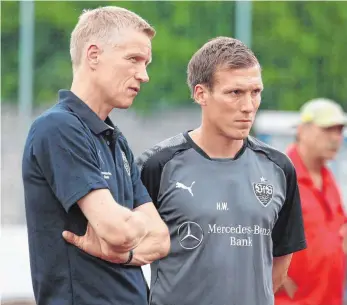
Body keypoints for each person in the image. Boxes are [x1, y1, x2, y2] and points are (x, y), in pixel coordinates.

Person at [136, 37, 307, 305]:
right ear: (200, 94)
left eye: (255, 92)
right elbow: (125, 251)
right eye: (235, 93)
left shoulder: (279, 168)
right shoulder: (157, 165)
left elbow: (281, 261)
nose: (248, 106)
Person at [22, 6, 170, 305]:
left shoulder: (116, 140)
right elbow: (118, 231)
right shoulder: (58, 127)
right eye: (133, 59)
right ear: (93, 55)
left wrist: (125, 250)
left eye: (146, 63)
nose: (144, 75)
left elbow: (161, 240)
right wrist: (133, 229)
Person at [275, 98, 347, 305]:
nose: (336, 138)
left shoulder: (327, 178)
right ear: (302, 130)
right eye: (327, 129)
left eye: (339, 130)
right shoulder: (278, 175)